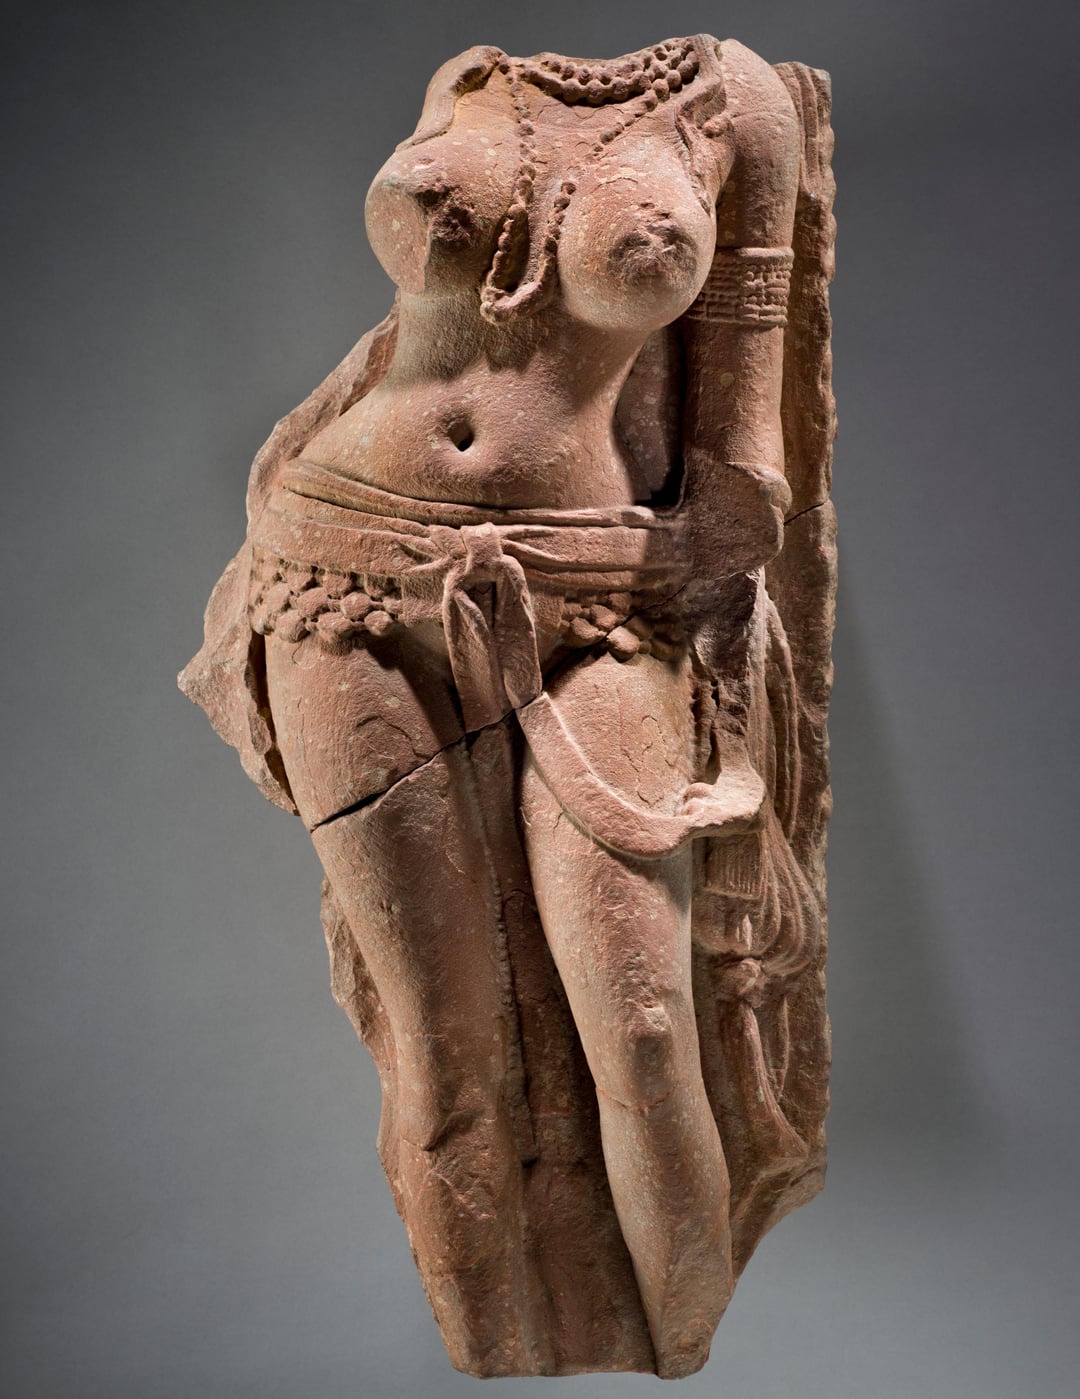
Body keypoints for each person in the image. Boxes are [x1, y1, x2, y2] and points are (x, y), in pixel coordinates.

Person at [181, 35, 836, 1379]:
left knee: (646, 1036)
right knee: (443, 1053)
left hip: (597, 600)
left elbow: (746, 469)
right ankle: (495, 1346)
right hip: (344, 571)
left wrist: (671, 591)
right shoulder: (471, 81)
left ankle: (675, 1340)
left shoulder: (735, 103)